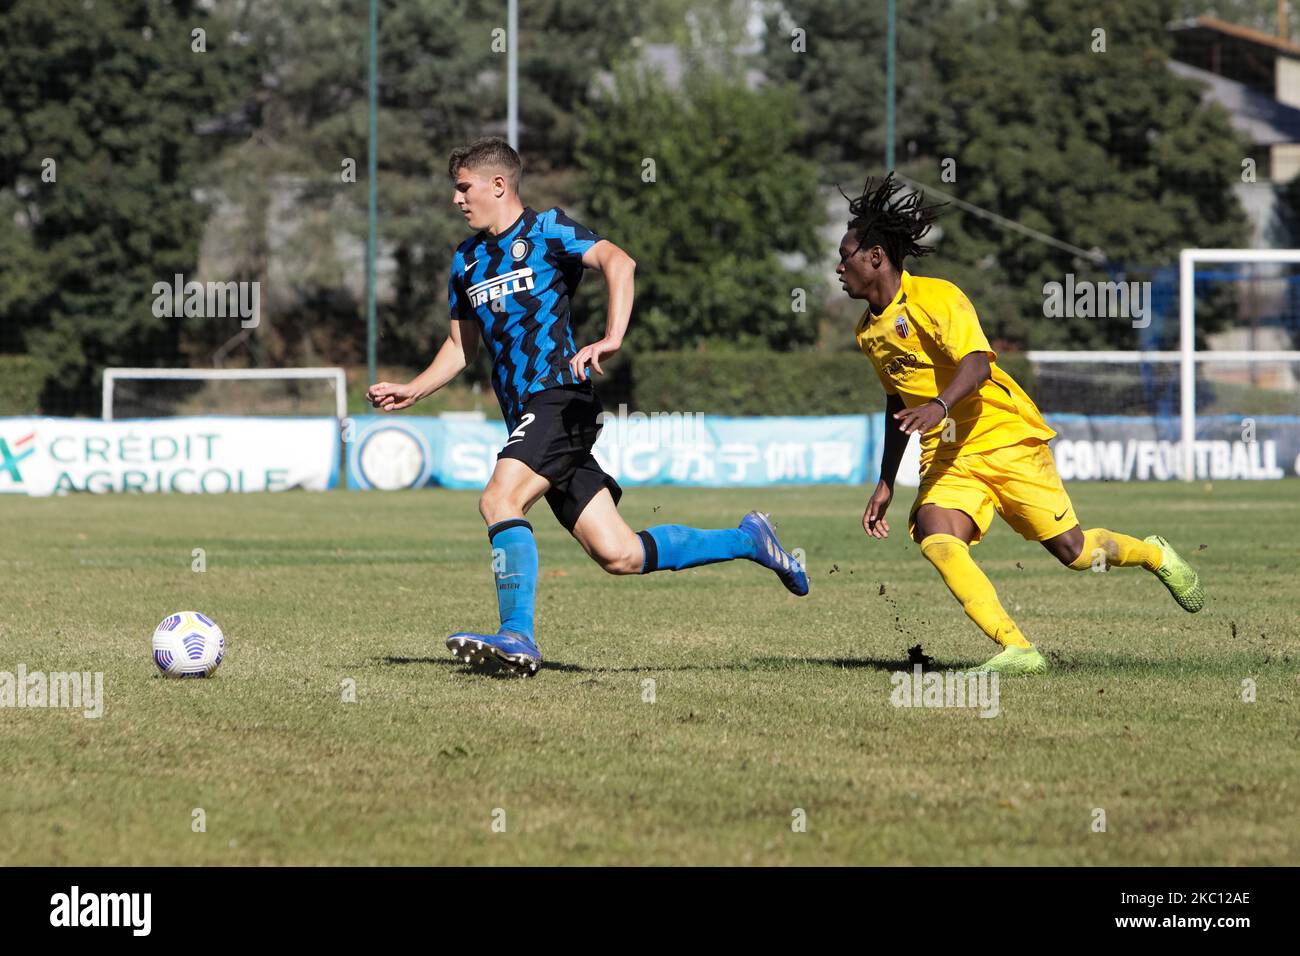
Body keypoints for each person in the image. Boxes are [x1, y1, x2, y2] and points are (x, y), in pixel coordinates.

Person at [367, 138, 807, 675]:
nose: (457, 199)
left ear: (498, 185)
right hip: (531, 416)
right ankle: (750, 540)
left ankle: (517, 637)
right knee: (618, 553)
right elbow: (461, 348)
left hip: (561, 398)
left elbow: (620, 261)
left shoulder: (547, 229)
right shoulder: (466, 260)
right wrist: (415, 388)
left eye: (465, 187)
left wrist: (611, 336)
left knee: (498, 499)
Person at [839, 173, 1204, 675]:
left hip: (1003, 435)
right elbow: (897, 402)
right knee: (935, 534)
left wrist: (940, 406)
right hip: (948, 452)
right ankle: (1018, 649)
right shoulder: (868, 332)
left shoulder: (936, 298)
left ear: (875, 257)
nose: (839, 268)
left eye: (846, 256)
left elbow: (977, 363)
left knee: (1074, 553)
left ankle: (1154, 556)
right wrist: (885, 482)